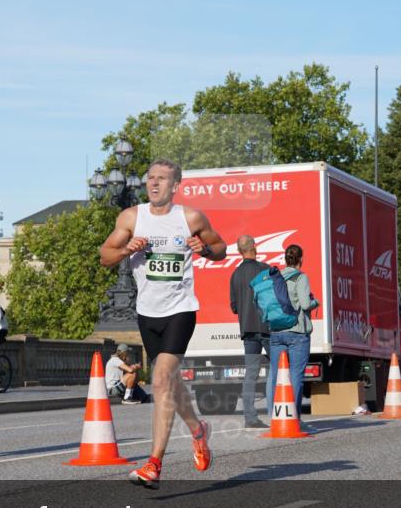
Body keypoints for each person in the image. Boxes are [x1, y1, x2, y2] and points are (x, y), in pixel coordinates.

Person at [99, 158, 227, 489]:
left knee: (159, 379)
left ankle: (154, 463)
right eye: (151, 178)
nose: (154, 183)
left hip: (180, 311)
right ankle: (198, 430)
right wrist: (126, 249)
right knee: (170, 383)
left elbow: (221, 248)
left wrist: (205, 250)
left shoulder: (190, 218)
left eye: (162, 179)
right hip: (147, 313)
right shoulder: (131, 217)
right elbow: (105, 256)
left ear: (175, 186)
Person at [267, 244, 319, 422]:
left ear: (285, 258)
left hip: (276, 332)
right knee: (296, 376)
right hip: (297, 333)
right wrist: (315, 302)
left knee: (276, 376)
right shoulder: (300, 277)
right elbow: (305, 304)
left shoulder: (276, 277)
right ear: (301, 259)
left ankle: (276, 417)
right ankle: (294, 418)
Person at [229, 234, 271, 428]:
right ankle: (279, 412)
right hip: (267, 328)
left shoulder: (235, 275)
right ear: (255, 247)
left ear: (239, 251)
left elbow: (234, 307)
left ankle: (250, 418)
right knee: (279, 369)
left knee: (250, 374)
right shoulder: (266, 270)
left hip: (248, 330)